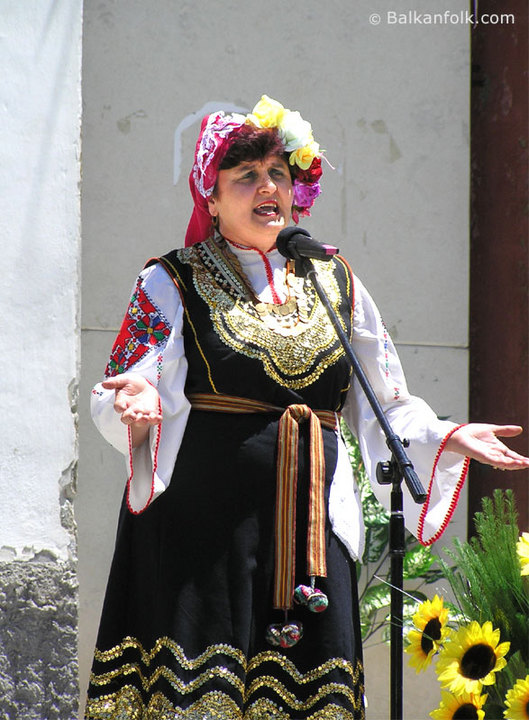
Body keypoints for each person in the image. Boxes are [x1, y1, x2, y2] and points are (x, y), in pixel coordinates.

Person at [85, 95, 529, 720]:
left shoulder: (334, 279)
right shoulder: (171, 279)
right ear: (211, 197)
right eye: (247, 177)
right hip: (199, 532)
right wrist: (131, 399)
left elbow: (385, 402)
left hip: (311, 535)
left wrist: (445, 435)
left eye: (279, 174)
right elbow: (129, 381)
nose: (268, 188)